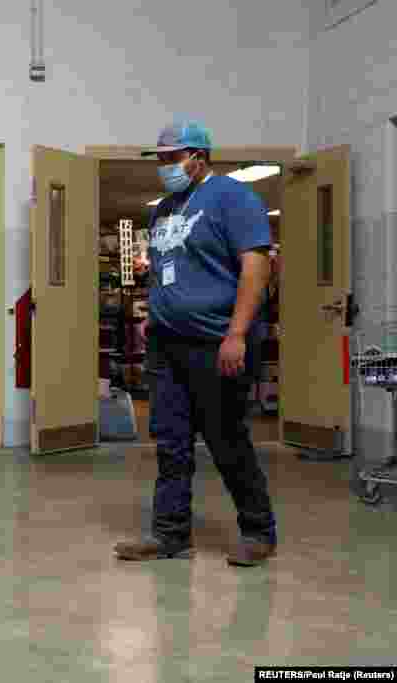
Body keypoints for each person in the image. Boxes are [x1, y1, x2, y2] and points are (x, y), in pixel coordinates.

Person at [114, 120, 278, 567]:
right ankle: (169, 534)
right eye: (161, 159)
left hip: (217, 340)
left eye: (171, 158)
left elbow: (255, 269)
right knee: (171, 442)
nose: (164, 166)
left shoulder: (233, 198)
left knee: (226, 439)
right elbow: (167, 267)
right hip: (166, 345)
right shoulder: (164, 209)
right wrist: (157, 311)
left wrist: (237, 334)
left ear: (198, 157)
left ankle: (258, 532)